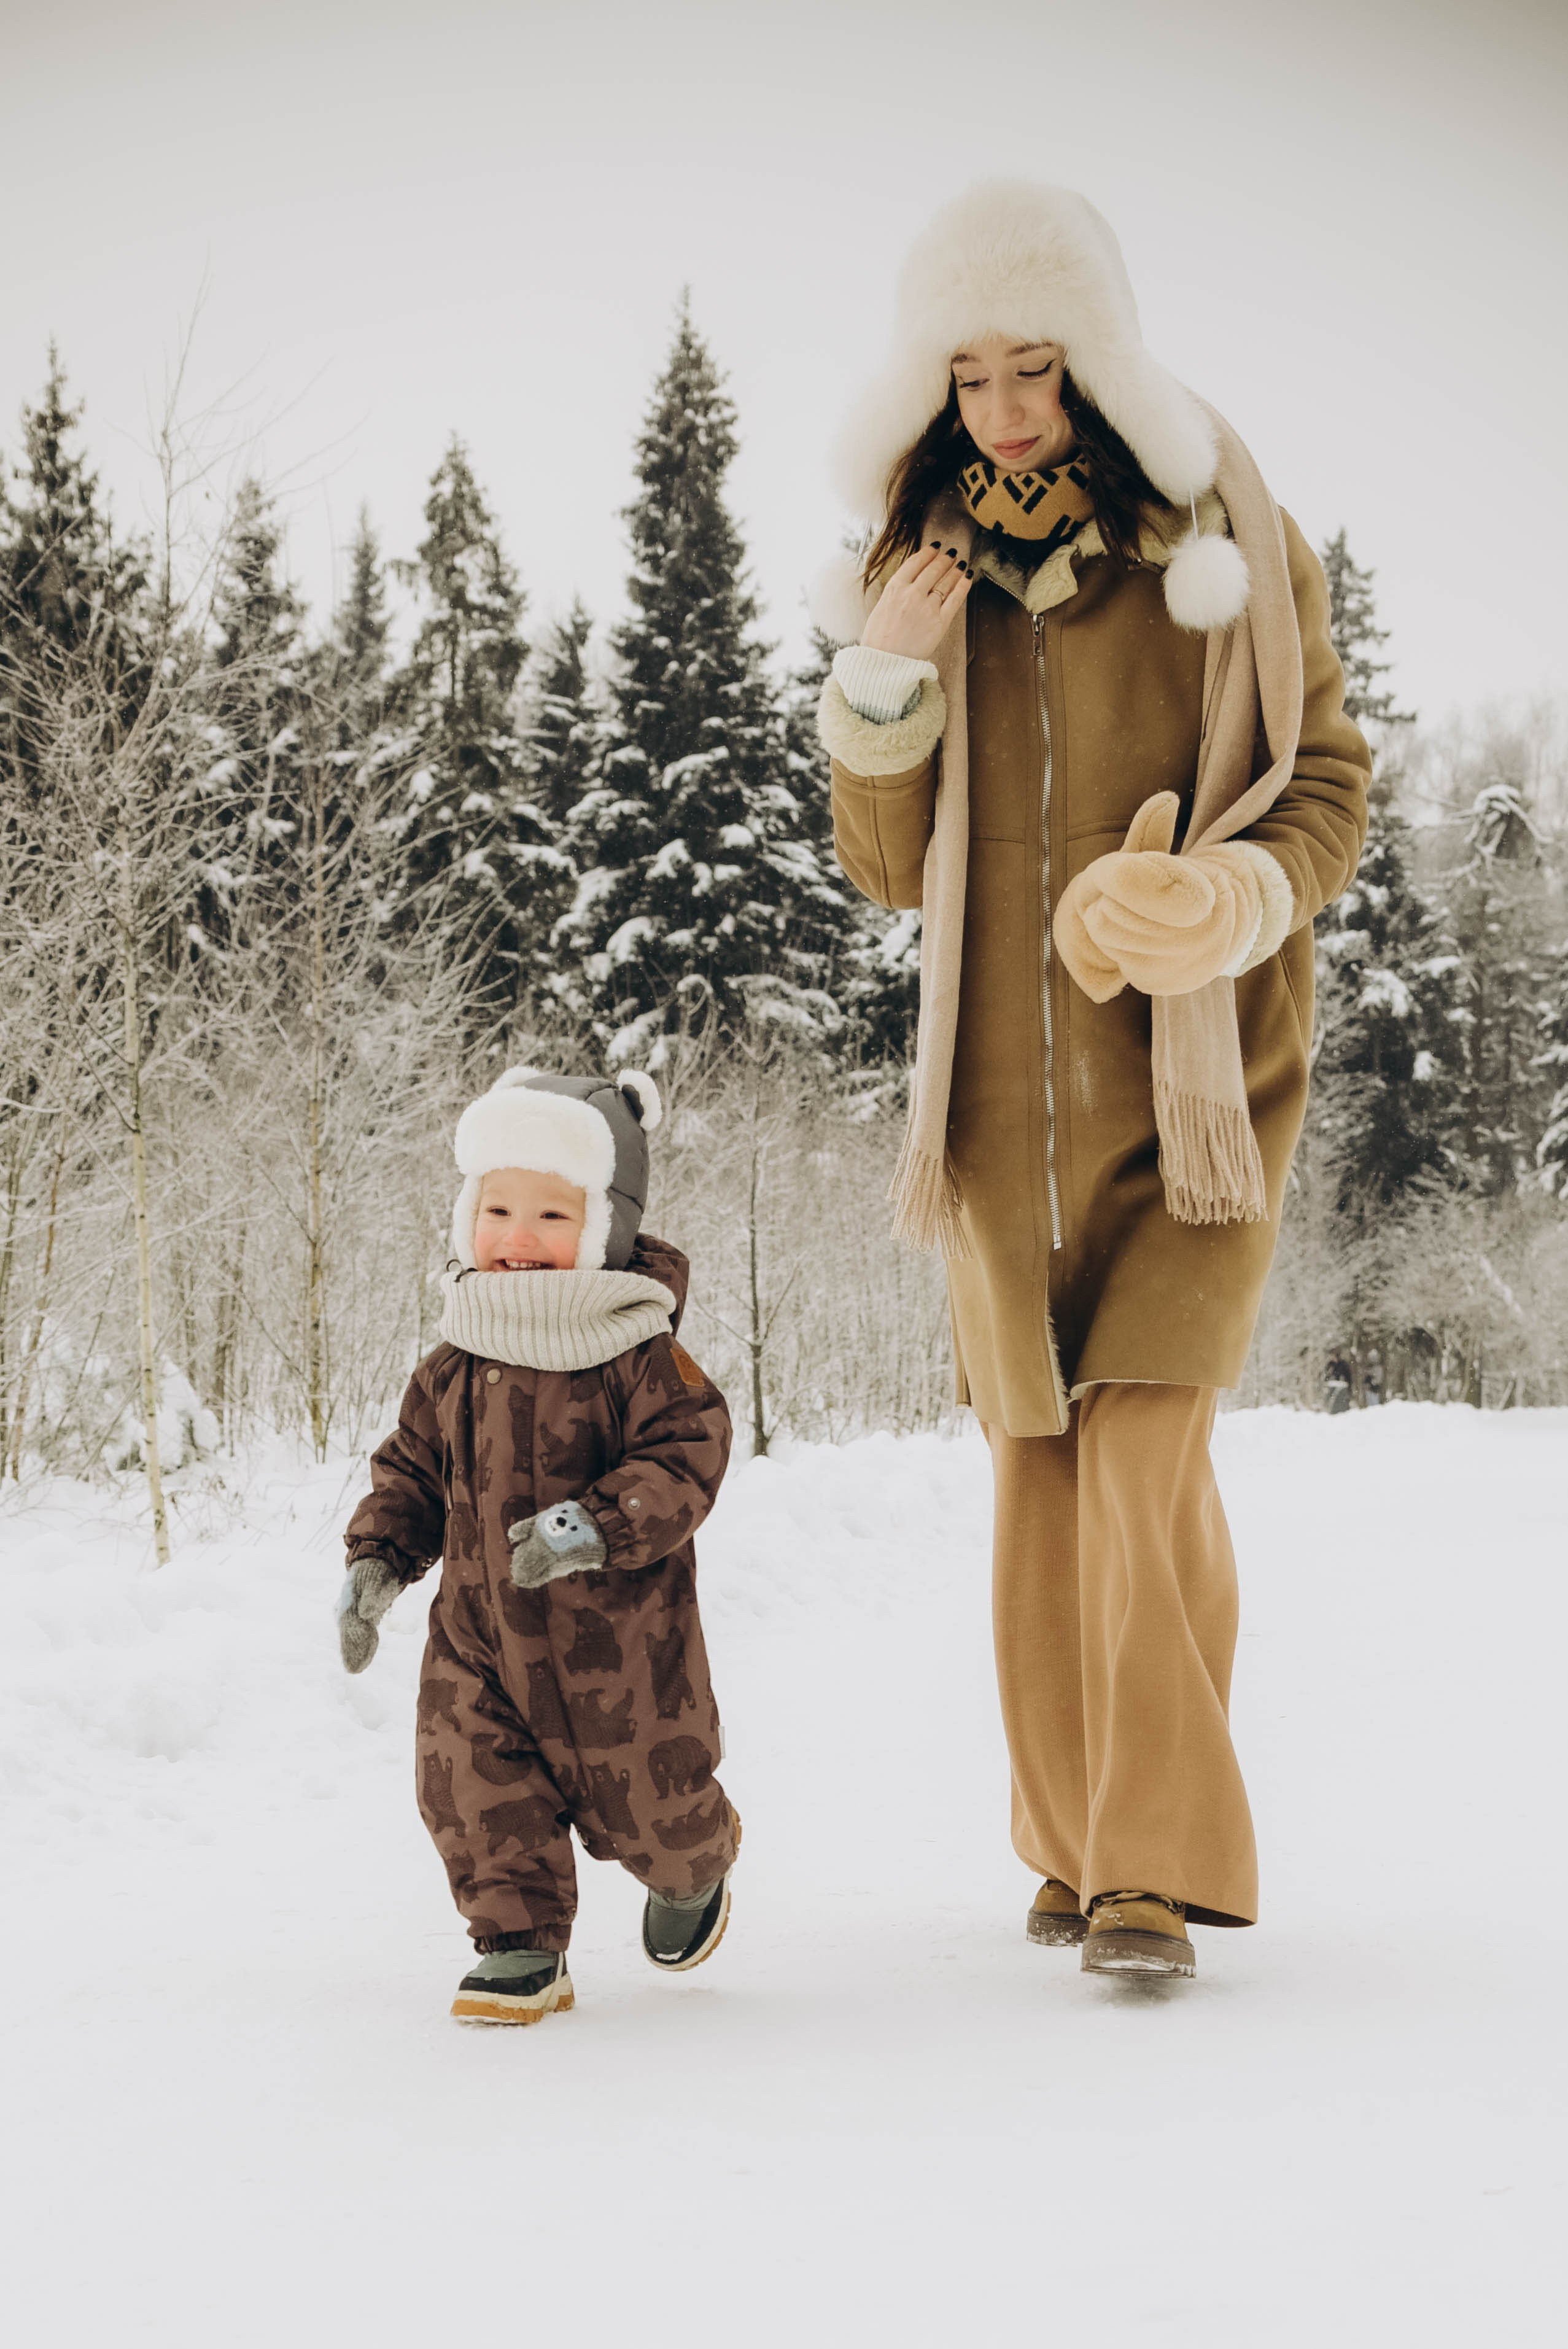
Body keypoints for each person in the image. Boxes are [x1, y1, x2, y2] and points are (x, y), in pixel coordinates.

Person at [815, 180, 1370, 1981]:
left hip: (1197, 1089)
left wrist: (1227, 896)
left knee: (1139, 1447)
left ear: (1099, 361)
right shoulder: (914, 574)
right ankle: (1069, 1845)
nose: (1001, 410)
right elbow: (886, 872)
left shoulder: (1223, 548)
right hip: (992, 1105)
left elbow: (1326, 785)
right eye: (966, 374)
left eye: (1034, 366)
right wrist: (882, 683)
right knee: (1038, 1470)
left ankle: (1151, 1863)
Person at [338, 1067, 740, 2025]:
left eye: (552, 1215)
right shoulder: (453, 1361)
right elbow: (410, 1471)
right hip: (478, 1638)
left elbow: (686, 1453)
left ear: (604, 1226)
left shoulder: (639, 1350)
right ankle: (519, 1943)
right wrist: (377, 1560)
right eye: (497, 1209)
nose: (516, 1237)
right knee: (470, 1780)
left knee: (655, 1802)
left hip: (620, 1648)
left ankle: (692, 1867)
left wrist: (597, 1521)